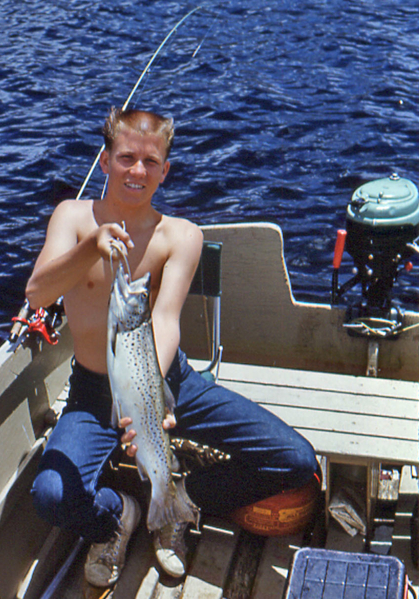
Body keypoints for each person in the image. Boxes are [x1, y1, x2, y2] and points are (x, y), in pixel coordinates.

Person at [27, 108, 318, 588]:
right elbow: (38, 292)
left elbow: (163, 320)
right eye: (126, 158)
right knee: (51, 496)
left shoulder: (181, 235)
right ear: (104, 161)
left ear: (166, 170)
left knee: (296, 460)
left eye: (149, 161)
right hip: (93, 393)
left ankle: (181, 501)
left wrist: (150, 400)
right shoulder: (72, 218)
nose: (136, 171)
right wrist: (90, 247)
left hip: (166, 380)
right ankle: (118, 515)